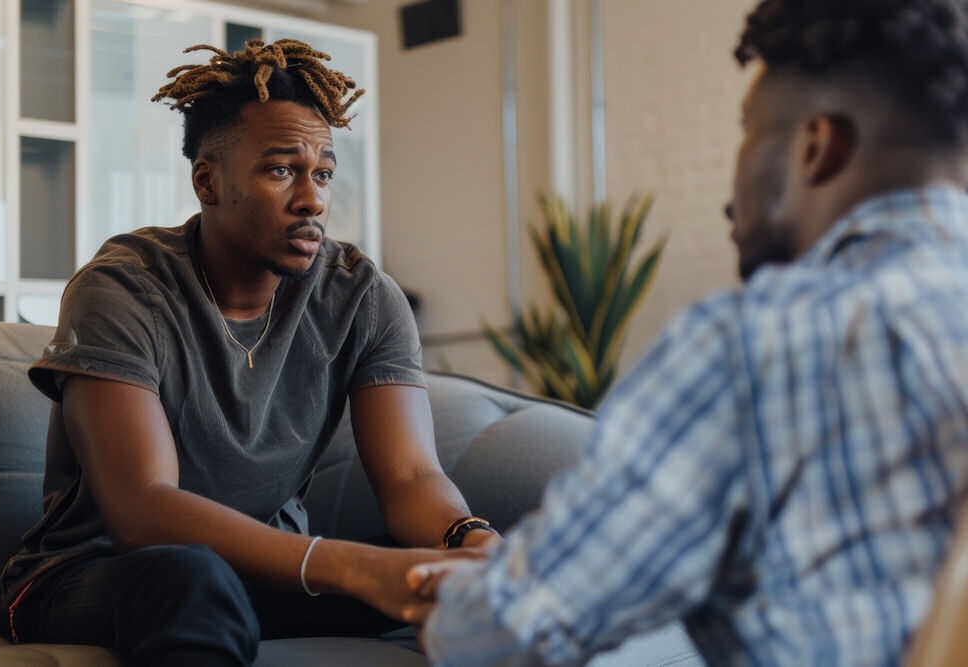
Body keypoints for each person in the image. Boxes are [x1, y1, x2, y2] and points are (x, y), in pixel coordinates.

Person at [405, 1, 968, 664]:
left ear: (817, 147)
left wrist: (449, 605)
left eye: (747, 131)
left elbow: (506, 635)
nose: (731, 190)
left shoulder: (759, 344)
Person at [0, 38, 495, 666]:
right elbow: (142, 509)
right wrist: (354, 567)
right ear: (208, 181)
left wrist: (465, 540)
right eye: (281, 170)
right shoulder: (124, 287)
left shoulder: (361, 296)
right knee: (195, 582)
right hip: (95, 576)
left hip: (268, 572)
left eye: (323, 174)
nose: (312, 199)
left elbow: (411, 477)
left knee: (450, 583)